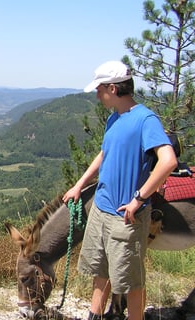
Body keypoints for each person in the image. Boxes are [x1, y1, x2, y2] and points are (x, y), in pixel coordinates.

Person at [62, 60, 177, 320]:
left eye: (99, 89)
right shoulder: (114, 118)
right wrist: (79, 185)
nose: (97, 94)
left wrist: (139, 198)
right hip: (102, 210)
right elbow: (105, 153)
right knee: (100, 273)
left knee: (130, 282)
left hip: (125, 217)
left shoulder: (145, 119)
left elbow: (168, 160)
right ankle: (95, 315)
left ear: (113, 89)